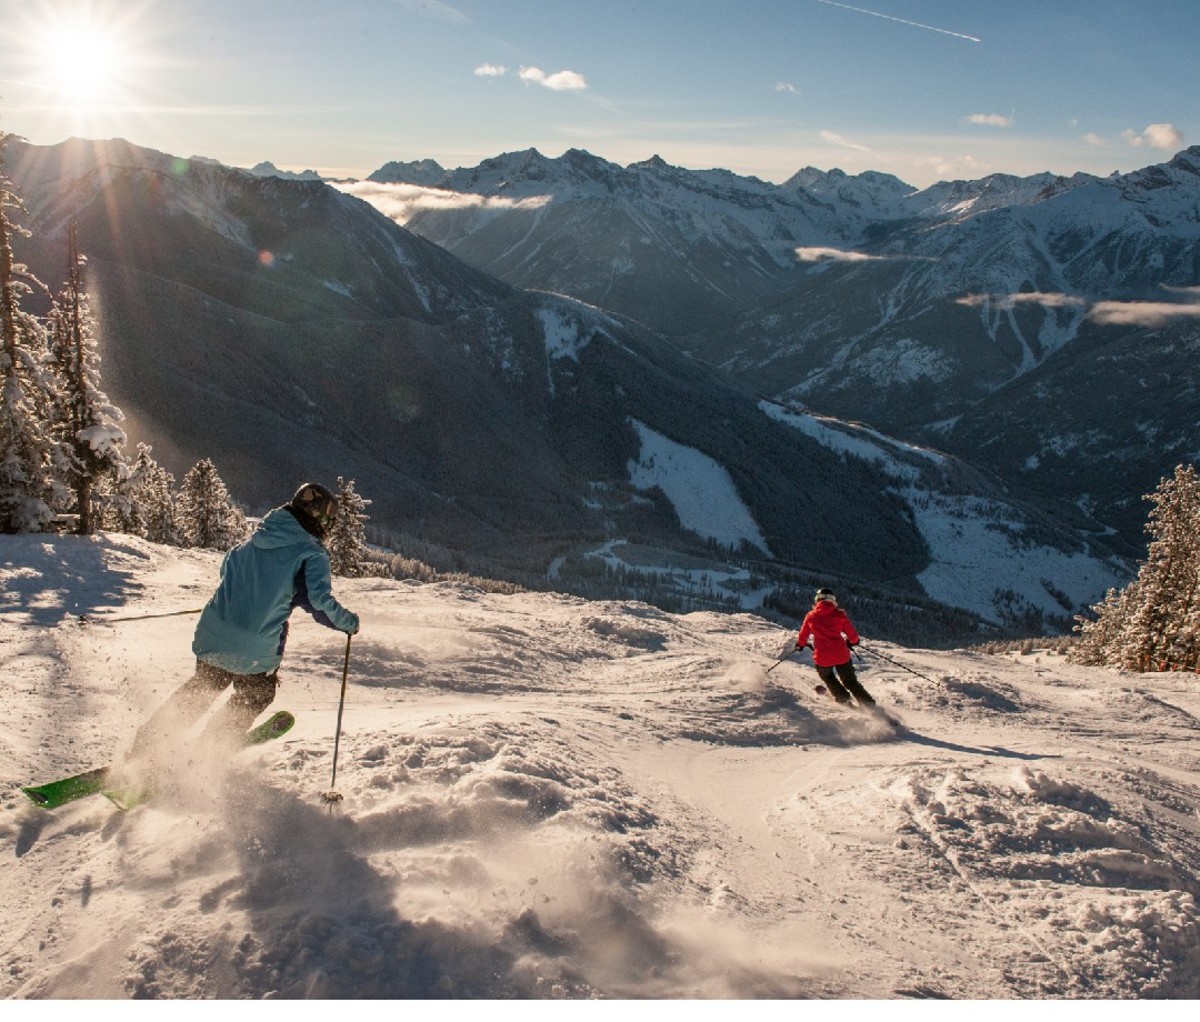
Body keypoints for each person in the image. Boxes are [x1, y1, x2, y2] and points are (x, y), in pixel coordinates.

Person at [131, 482, 360, 755]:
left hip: (212, 633)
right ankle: (208, 751)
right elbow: (318, 601)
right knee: (257, 694)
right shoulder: (310, 553)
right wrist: (348, 623)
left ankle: (148, 745)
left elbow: (226, 573)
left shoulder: (251, 541)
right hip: (253, 646)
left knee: (203, 688)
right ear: (321, 519)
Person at [796, 588, 875, 707]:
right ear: (832, 600)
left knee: (828, 677)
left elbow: (803, 636)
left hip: (822, 657)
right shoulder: (839, 614)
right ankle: (868, 703)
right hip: (841, 654)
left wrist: (800, 645)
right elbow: (853, 637)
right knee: (850, 681)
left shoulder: (811, 616)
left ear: (817, 600)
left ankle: (842, 697)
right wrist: (853, 641)